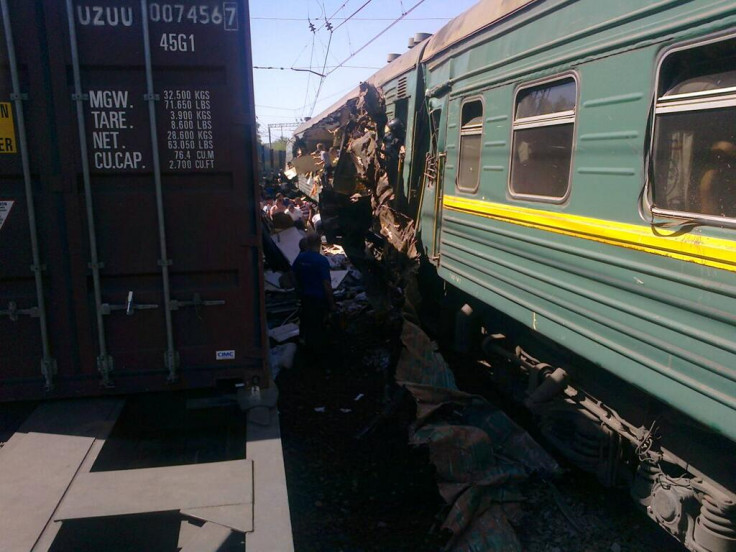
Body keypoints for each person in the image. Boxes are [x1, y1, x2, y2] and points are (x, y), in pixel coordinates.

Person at [291, 232, 335, 353]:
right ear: (319, 244)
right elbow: (326, 284)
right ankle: (318, 353)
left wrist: (298, 290)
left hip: (305, 298)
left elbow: (293, 276)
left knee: (305, 323)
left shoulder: (300, 258)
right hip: (319, 300)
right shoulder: (321, 260)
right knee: (319, 327)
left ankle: (305, 347)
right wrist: (332, 305)